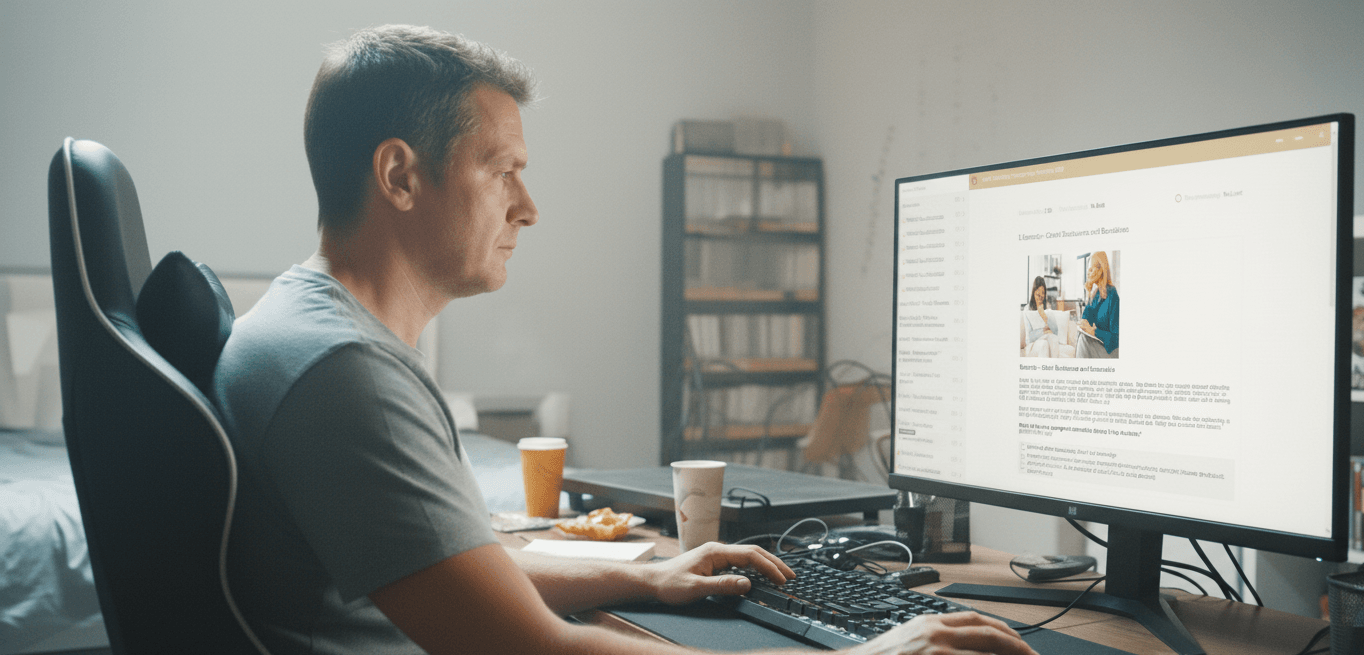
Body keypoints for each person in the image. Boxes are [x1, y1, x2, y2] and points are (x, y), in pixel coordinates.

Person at [213, 24, 1037, 655]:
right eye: (502, 169)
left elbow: (447, 568)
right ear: (398, 175)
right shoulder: (346, 373)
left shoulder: (299, 327)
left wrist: (646, 574)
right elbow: (531, 648)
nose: (527, 206)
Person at [1076, 251, 1119, 358]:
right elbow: (1086, 319)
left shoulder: (1112, 294)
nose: (1088, 272)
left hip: (1110, 349)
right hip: (1099, 346)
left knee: (1083, 340)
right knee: (1081, 336)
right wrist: (1089, 292)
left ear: (1100, 270)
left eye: (1091, 269)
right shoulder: (1095, 295)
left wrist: (1093, 331)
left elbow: (1115, 337)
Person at [1022, 276, 1059, 357]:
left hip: (1047, 338)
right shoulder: (1027, 309)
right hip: (1032, 344)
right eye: (1038, 293)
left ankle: (1054, 366)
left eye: (1043, 293)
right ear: (1034, 292)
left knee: (1054, 339)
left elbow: (1055, 332)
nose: (1040, 296)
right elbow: (1029, 338)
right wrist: (1043, 330)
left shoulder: (1047, 308)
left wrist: (1043, 315)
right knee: (1045, 343)